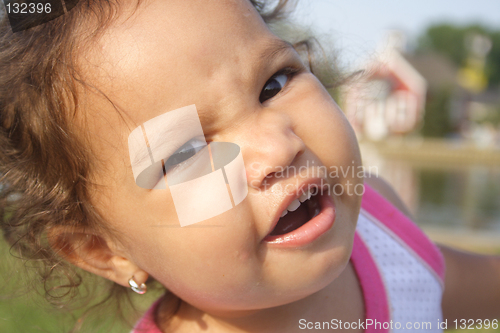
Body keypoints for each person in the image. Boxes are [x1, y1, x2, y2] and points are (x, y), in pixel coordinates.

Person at [0, 1, 499, 332]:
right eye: (185, 153)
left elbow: (469, 295)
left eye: (274, 85)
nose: (277, 149)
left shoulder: (382, 229)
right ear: (104, 250)